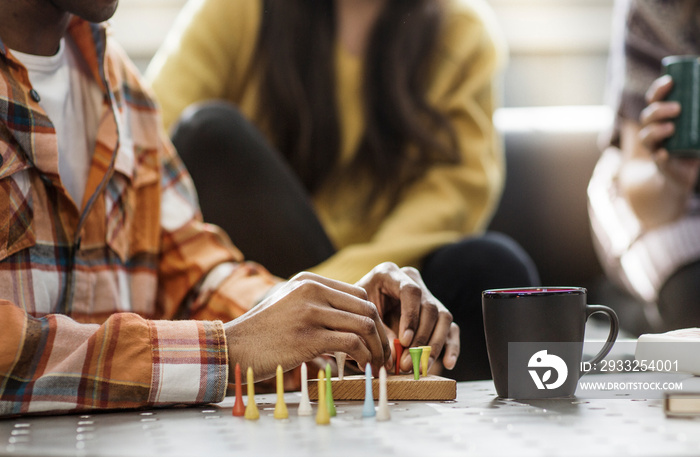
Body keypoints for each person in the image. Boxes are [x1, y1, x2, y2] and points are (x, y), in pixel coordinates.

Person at [0, 0, 461, 416]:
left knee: (483, 260)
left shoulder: (116, 80)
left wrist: (323, 319)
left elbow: (194, 270)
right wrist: (229, 348)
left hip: (133, 436)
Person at [146, 0, 540, 381]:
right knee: (207, 133)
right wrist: (286, 302)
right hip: (260, 281)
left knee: (495, 271)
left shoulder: (461, 30)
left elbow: (452, 197)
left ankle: (384, 382)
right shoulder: (236, 9)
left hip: (385, 283)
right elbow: (150, 141)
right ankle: (332, 356)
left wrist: (345, 298)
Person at [588, 0, 700, 331]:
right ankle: (645, 312)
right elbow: (647, 201)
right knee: (693, 298)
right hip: (655, 193)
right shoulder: (657, 9)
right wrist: (672, 178)